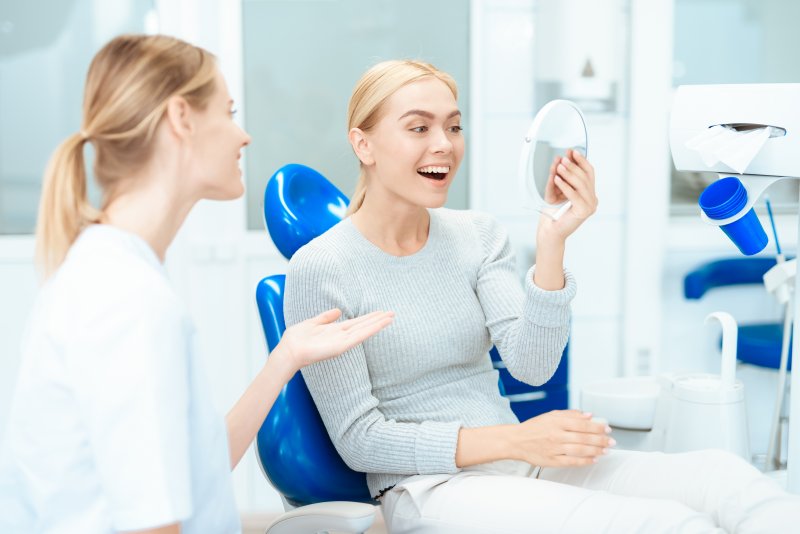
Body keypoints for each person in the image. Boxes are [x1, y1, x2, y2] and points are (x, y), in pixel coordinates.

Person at [283, 59, 800, 533]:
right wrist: (517, 439)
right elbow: (360, 441)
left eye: (454, 126)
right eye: (419, 127)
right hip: (432, 488)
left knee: (723, 478)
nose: (444, 143)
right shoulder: (322, 268)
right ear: (363, 144)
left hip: (523, 463)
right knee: (662, 524)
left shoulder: (477, 236)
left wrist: (553, 241)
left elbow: (532, 366)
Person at [0, 34, 393, 534]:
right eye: (227, 112)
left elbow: (196, 470)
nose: (242, 136)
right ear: (181, 118)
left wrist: (285, 358)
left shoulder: (111, 273)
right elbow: (151, 525)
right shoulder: (125, 301)